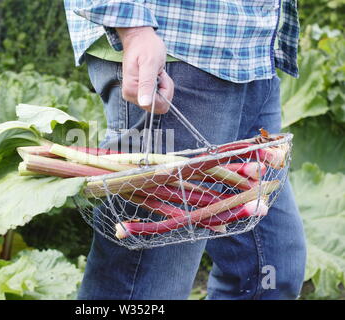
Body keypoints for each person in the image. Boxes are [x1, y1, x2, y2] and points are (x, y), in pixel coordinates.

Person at [64, 0, 306, 299]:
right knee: (147, 284)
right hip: (175, 52)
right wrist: (134, 28)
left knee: (268, 271)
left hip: (251, 56)